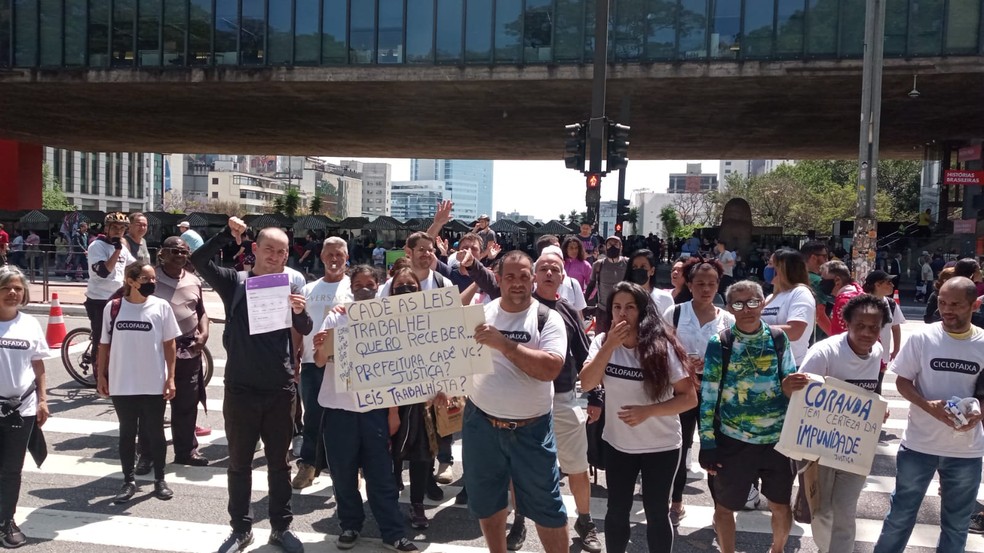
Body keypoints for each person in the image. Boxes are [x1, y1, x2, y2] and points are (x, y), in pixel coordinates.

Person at [190, 217, 311, 553]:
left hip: (279, 390)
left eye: (282, 252)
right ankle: (240, 529)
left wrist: (300, 313)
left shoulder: (291, 285)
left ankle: (281, 528)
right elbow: (199, 261)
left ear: (287, 256)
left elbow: (305, 324)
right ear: (255, 249)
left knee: (279, 464)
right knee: (239, 463)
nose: (275, 256)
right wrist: (226, 236)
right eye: (269, 249)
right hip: (241, 389)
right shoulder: (235, 282)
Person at [463, 251, 569, 553]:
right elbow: (453, 360)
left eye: (524, 276)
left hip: (531, 430)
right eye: (510, 276)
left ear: (533, 279)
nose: (518, 282)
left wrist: (505, 344)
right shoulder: (479, 314)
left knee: (547, 506)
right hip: (480, 424)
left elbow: (549, 369)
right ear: (498, 279)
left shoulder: (548, 318)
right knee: (487, 501)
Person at [580, 282, 697, 551]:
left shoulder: (662, 345)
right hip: (618, 444)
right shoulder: (601, 342)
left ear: (642, 311)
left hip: (662, 445)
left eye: (630, 307)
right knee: (617, 510)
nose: (622, 314)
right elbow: (587, 383)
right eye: (617, 307)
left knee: (657, 513)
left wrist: (648, 411)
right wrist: (609, 346)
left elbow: (689, 398)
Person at [872, 277, 984, 553]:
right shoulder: (923, 337)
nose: (947, 309)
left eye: (955, 304)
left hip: (966, 452)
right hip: (919, 445)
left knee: (956, 525)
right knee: (899, 518)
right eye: (943, 302)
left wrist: (978, 414)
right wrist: (927, 404)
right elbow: (902, 382)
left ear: (974, 304)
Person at [314, 265, 419, 552]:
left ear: (378, 285)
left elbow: (396, 369)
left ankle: (393, 532)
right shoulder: (336, 316)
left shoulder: (390, 319)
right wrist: (321, 346)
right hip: (339, 409)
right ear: (351, 286)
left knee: (381, 475)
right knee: (343, 473)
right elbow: (320, 360)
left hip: (375, 411)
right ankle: (350, 525)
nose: (364, 288)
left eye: (370, 283)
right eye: (358, 283)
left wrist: (393, 412)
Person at [503, 247, 599, 552]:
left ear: (563, 277)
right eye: (542, 268)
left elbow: (585, 354)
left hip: (563, 398)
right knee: (519, 468)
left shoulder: (569, 311)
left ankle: (584, 521)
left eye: (554, 269)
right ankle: (519, 520)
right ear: (533, 276)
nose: (548, 273)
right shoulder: (516, 306)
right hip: (523, 399)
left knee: (577, 465)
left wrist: (595, 394)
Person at [698, 280, 803, 553]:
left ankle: (777, 549)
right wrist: (707, 443)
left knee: (780, 505)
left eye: (753, 302)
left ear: (763, 303)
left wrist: (792, 387)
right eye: (739, 304)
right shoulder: (720, 343)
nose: (747, 309)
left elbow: (790, 384)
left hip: (776, 441)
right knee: (725, 507)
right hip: (733, 440)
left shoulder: (779, 339)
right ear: (730, 307)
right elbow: (708, 395)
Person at [797, 294, 889, 553]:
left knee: (845, 511)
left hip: (856, 448)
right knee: (823, 511)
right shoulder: (824, 353)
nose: (867, 333)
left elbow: (869, 391)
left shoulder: (877, 351)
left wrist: (878, 407)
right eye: (859, 325)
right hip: (820, 448)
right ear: (846, 322)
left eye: (874, 327)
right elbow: (800, 395)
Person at [96, 262, 179, 504]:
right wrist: (101, 376)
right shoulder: (113, 308)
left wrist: (171, 377)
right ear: (131, 281)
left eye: (154, 278)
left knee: (155, 433)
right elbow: (104, 345)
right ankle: (128, 480)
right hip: (123, 382)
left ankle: (160, 479)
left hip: (153, 381)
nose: (152, 283)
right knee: (127, 433)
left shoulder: (161, 307)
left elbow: (169, 344)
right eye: (146, 279)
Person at [663, 258, 734, 526]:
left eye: (712, 284)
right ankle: (676, 501)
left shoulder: (727, 319)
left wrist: (713, 364)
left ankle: (720, 510)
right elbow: (661, 348)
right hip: (682, 389)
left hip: (715, 393)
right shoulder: (676, 313)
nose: (706, 289)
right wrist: (683, 363)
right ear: (689, 284)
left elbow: (733, 358)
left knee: (715, 450)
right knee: (679, 447)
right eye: (700, 283)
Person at [133, 237, 210, 473]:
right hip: (155, 351)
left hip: (189, 350)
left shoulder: (194, 280)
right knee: (150, 407)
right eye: (174, 250)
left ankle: (186, 451)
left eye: (184, 251)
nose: (180, 254)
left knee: (187, 404)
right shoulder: (150, 279)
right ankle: (147, 455)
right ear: (162, 254)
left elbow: (201, 311)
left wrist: (204, 333)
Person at [384, 267, 444, 530]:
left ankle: (417, 503)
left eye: (412, 287)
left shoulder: (431, 320)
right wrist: (392, 410)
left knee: (422, 455)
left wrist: (444, 387)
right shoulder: (381, 323)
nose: (406, 292)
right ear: (391, 292)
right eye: (400, 288)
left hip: (423, 402)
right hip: (390, 401)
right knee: (391, 453)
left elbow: (443, 357)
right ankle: (392, 495)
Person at [292, 237, 352, 490]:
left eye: (339, 254)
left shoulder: (354, 287)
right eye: (329, 255)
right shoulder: (308, 289)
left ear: (346, 257)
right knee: (313, 416)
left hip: (346, 365)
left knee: (346, 419)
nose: (334, 259)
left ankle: (350, 467)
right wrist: (295, 353)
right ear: (322, 256)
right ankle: (308, 464)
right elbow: (298, 322)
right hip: (311, 363)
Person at [0, 266, 50, 547]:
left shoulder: (29, 323)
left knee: (11, 469)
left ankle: (6, 520)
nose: (12, 293)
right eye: (6, 287)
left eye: (18, 288)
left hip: (23, 409)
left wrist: (43, 399)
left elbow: (37, 363)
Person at [85, 213, 136, 369]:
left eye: (122, 228)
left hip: (117, 298)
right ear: (106, 228)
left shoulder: (122, 247)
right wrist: (117, 250)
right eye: (114, 227)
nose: (118, 231)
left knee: (119, 336)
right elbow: (103, 271)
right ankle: (97, 372)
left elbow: (134, 267)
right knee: (101, 339)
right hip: (99, 299)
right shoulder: (97, 246)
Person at [761, 248, 816, 366]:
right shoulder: (771, 297)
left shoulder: (800, 292)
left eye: (771, 264)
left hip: (791, 366)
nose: (767, 268)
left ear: (783, 269)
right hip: (768, 366)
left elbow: (795, 331)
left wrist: (755, 331)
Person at [862, 270, 905, 394]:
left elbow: (895, 327)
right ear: (877, 285)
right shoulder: (861, 302)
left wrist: (896, 349)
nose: (892, 285)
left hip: (882, 356)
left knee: (877, 388)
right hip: (862, 354)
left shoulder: (890, 304)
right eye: (888, 282)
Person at [585, 235, 628, 333]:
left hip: (622, 311)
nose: (613, 247)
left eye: (616, 244)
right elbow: (591, 285)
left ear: (621, 247)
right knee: (601, 340)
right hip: (603, 310)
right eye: (610, 244)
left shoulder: (628, 263)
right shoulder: (598, 265)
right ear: (605, 247)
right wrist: (584, 302)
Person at [624, 249, 674, 316]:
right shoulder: (623, 297)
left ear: (652, 271)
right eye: (634, 267)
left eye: (643, 267)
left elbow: (671, 325)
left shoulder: (665, 298)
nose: (639, 270)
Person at [819, 259, 862, 336]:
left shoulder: (844, 302)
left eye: (823, 279)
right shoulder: (857, 293)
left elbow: (843, 336)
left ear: (837, 280)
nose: (821, 282)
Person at [800, 240, 833, 340]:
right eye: (824, 256)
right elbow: (820, 314)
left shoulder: (793, 278)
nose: (827, 260)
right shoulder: (817, 282)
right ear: (814, 257)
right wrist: (835, 337)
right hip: (813, 337)